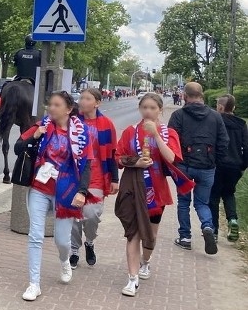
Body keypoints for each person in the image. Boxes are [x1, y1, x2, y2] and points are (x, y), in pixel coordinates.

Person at [15, 91, 92, 302]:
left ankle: (64, 260)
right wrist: (36, 135)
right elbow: (18, 147)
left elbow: (87, 164)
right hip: (40, 187)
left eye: (57, 105)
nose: (51, 108)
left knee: (62, 240)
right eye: (50, 104)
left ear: (68, 109)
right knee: (35, 236)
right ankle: (34, 284)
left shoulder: (81, 132)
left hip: (66, 191)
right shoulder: (42, 126)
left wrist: (82, 191)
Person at [115, 93, 193, 296]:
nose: (148, 111)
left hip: (156, 191)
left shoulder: (169, 133)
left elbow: (172, 158)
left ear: (160, 110)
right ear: (140, 109)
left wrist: (156, 135)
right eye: (144, 107)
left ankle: (145, 261)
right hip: (133, 187)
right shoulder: (130, 132)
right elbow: (118, 158)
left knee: (150, 236)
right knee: (133, 233)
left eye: (152, 108)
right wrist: (135, 162)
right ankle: (132, 279)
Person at [167, 82, 229, 255]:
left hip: (184, 166)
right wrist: (215, 160)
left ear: (184, 96)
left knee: (184, 202)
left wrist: (174, 163)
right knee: (202, 202)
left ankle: (185, 237)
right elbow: (224, 141)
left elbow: (171, 140)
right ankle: (208, 226)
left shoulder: (178, 115)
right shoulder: (216, 116)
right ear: (202, 95)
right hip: (207, 166)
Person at [69, 89, 119, 269]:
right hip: (75, 176)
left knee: (91, 215)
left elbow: (113, 152)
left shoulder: (106, 124)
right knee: (74, 215)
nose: (82, 101)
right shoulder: (73, 122)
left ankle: (89, 241)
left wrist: (115, 178)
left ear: (97, 103)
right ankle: (74, 250)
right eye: (81, 98)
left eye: (87, 98)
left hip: (98, 176)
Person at [211, 94, 248, 241]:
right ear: (233, 107)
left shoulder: (215, 121)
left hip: (217, 164)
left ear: (220, 107)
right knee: (228, 193)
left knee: (213, 196)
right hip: (235, 166)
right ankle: (232, 220)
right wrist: (243, 166)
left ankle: (213, 231)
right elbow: (246, 146)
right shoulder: (241, 124)